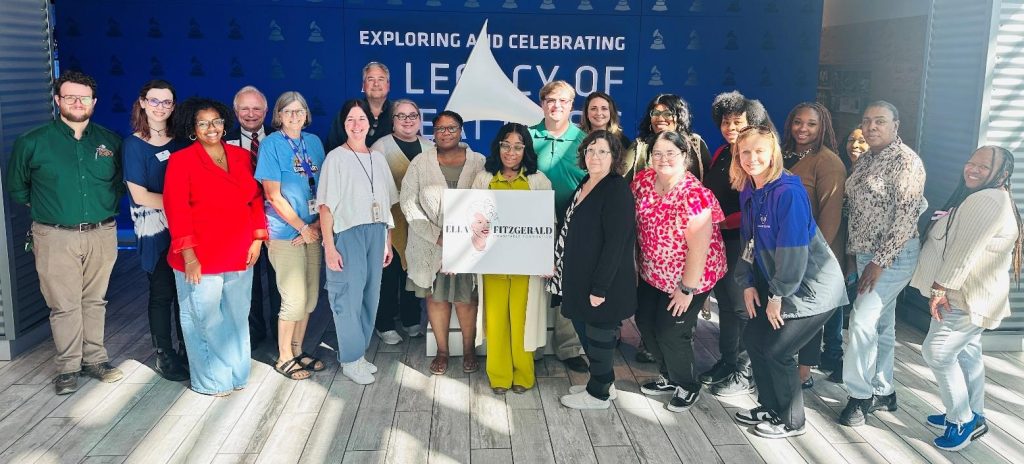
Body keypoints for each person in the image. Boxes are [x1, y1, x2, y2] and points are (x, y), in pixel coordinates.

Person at [6, 71, 125, 395]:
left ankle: (95, 360)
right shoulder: (32, 142)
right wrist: (54, 209)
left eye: (83, 97)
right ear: (57, 100)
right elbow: (17, 188)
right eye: (70, 96)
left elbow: (118, 185)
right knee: (64, 304)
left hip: (102, 232)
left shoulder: (109, 141)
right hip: (54, 235)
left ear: (94, 102)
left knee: (94, 300)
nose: (77, 102)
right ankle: (69, 367)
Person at [729, 125, 847, 438]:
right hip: (779, 286)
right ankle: (770, 406)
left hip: (814, 290)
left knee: (778, 350)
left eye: (759, 152)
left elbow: (793, 252)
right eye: (745, 152)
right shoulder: (750, 190)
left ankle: (792, 420)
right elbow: (749, 241)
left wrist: (777, 295)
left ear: (773, 155)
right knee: (755, 339)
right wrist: (748, 282)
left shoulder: (789, 192)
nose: (752, 158)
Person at [912, 146, 1022, 451]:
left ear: (1002, 173)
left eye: (983, 167)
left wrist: (940, 288)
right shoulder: (991, 196)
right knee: (968, 354)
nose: (971, 169)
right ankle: (974, 413)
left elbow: (965, 252)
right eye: (971, 162)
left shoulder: (987, 200)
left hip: (962, 297)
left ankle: (961, 419)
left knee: (938, 353)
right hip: (967, 294)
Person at [164, 97, 269, 396]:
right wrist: (189, 256)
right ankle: (212, 380)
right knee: (205, 321)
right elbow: (177, 209)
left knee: (237, 317)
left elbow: (254, 198)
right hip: (200, 255)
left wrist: (258, 238)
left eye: (217, 121)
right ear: (192, 128)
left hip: (239, 251)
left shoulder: (238, 156)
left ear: (225, 124)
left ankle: (237, 375)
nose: (212, 128)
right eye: (203, 123)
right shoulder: (181, 161)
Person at [840, 101, 926, 427]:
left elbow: (905, 220)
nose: (871, 127)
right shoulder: (864, 161)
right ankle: (884, 390)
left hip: (894, 257)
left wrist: (878, 263)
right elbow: (856, 215)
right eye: (866, 121)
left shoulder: (907, 163)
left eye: (880, 121)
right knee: (882, 325)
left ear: (896, 125)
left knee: (861, 321)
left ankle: (858, 397)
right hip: (864, 255)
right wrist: (852, 257)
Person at [633, 131, 727, 412]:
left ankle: (687, 384)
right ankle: (669, 376)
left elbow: (699, 248)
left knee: (672, 332)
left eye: (671, 153)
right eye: (657, 153)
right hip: (653, 272)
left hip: (691, 276)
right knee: (645, 322)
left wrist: (687, 289)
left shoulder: (695, 194)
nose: (663, 159)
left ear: (685, 157)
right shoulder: (643, 181)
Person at [552, 130, 637, 410]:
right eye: (590, 150)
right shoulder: (586, 182)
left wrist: (600, 288)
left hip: (603, 283)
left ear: (614, 157)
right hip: (578, 277)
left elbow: (616, 244)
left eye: (602, 151)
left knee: (599, 337)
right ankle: (603, 382)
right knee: (585, 332)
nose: (595, 156)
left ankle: (598, 395)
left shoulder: (616, 189)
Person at [318, 99, 400, 385]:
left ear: (369, 123)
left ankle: (359, 353)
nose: (356, 125)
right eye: (350, 119)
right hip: (348, 233)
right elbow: (325, 207)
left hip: (376, 232)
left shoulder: (377, 158)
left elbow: (387, 202)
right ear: (343, 125)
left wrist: (387, 241)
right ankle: (350, 359)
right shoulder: (335, 158)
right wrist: (329, 246)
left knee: (370, 296)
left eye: (361, 119)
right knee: (347, 297)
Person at [701, 92, 775, 396]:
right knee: (728, 307)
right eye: (726, 121)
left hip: (742, 243)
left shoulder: (754, 157)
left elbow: (755, 208)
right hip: (718, 241)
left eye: (737, 121)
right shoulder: (720, 153)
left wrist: (721, 222)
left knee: (743, 309)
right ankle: (728, 362)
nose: (730, 126)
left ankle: (745, 371)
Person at [470, 123, 553, 394]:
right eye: (506, 145)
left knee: (522, 322)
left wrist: (546, 257)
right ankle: (499, 376)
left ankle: (523, 374)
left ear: (526, 150)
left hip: (525, 267)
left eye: (518, 146)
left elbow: (548, 223)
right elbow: (471, 219)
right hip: (492, 263)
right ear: (498, 147)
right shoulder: (484, 178)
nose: (511, 152)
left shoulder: (537, 180)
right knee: (495, 322)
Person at [401, 111, 486, 375]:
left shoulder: (479, 161)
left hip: (468, 246)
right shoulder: (420, 162)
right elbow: (408, 202)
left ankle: (469, 350)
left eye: (451, 128)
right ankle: (442, 351)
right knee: (436, 299)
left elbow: (489, 201)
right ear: (432, 133)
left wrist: (470, 236)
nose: (446, 133)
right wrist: (436, 235)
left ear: (461, 131)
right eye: (440, 129)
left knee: (466, 299)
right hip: (430, 245)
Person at [254, 91, 327, 380]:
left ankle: (298, 350)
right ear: (279, 116)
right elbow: (272, 195)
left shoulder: (314, 142)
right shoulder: (271, 144)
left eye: (299, 111)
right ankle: (284, 356)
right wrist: (302, 228)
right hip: (286, 233)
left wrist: (317, 227)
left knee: (309, 299)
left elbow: (324, 189)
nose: (295, 117)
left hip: (313, 231)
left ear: (306, 114)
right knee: (294, 298)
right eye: (288, 112)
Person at [123, 79, 189, 381]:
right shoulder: (134, 145)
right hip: (155, 228)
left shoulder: (182, 141)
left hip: (186, 228)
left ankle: (188, 348)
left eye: (166, 102)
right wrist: (184, 204)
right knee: (162, 292)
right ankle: (165, 353)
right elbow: (140, 196)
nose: (160, 107)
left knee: (186, 292)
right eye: (155, 101)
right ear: (143, 102)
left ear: (173, 106)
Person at [780, 102, 847, 389]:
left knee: (808, 314)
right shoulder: (783, 154)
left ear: (823, 128)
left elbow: (830, 216)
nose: (803, 129)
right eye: (798, 122)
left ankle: (803, 374)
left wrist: (811, 258)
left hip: (812, 253)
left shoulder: (828, 161)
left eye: (811, 124)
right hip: (782, 249)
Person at [528, 80, 588, 373]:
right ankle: (533, 346)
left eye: (564, 101)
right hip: (532, 223)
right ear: (542, 103)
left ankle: (569, 347)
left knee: (569, 285)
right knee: (535, 284)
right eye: (551, 100)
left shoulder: (584, 140)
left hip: (572, 222)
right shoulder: (527, 136)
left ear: (571, 106)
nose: (556, 106)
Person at [370, 99, 433, 345]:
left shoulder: (429, 148)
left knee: (414, 272)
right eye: (401, 116)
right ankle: (384, 323)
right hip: (390, 222)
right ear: (392, 120)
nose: (407, 120)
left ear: (419, 119)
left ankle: (410, 319)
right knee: (389, 273)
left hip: (418, 223)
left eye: (412, 115)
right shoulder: (380, 148)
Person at [225, 85, 280, 350]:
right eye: (245, 108)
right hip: (241, 224)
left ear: (266, 111)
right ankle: (253, 333)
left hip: (279, 221)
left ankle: (281, 334)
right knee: (247, 281)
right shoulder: (223, 142)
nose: (251, 114)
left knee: (279, 279)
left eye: (257, 108)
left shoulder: (280, 140)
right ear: (236, 111)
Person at [623, 93, 712, 183]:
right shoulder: (639, 146)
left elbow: (711, 182)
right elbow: (622, 181)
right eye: (656, 113)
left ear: (679, 117)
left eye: (667, 114)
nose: (660, 118)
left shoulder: (695, 144)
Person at [327, 61, 393, 151]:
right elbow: (332, 147)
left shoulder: (398, 112)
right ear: (363, 86)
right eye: (370, 79)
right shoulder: (349, 111)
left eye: (381, 79)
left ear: (388, 85)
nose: (376, 84)